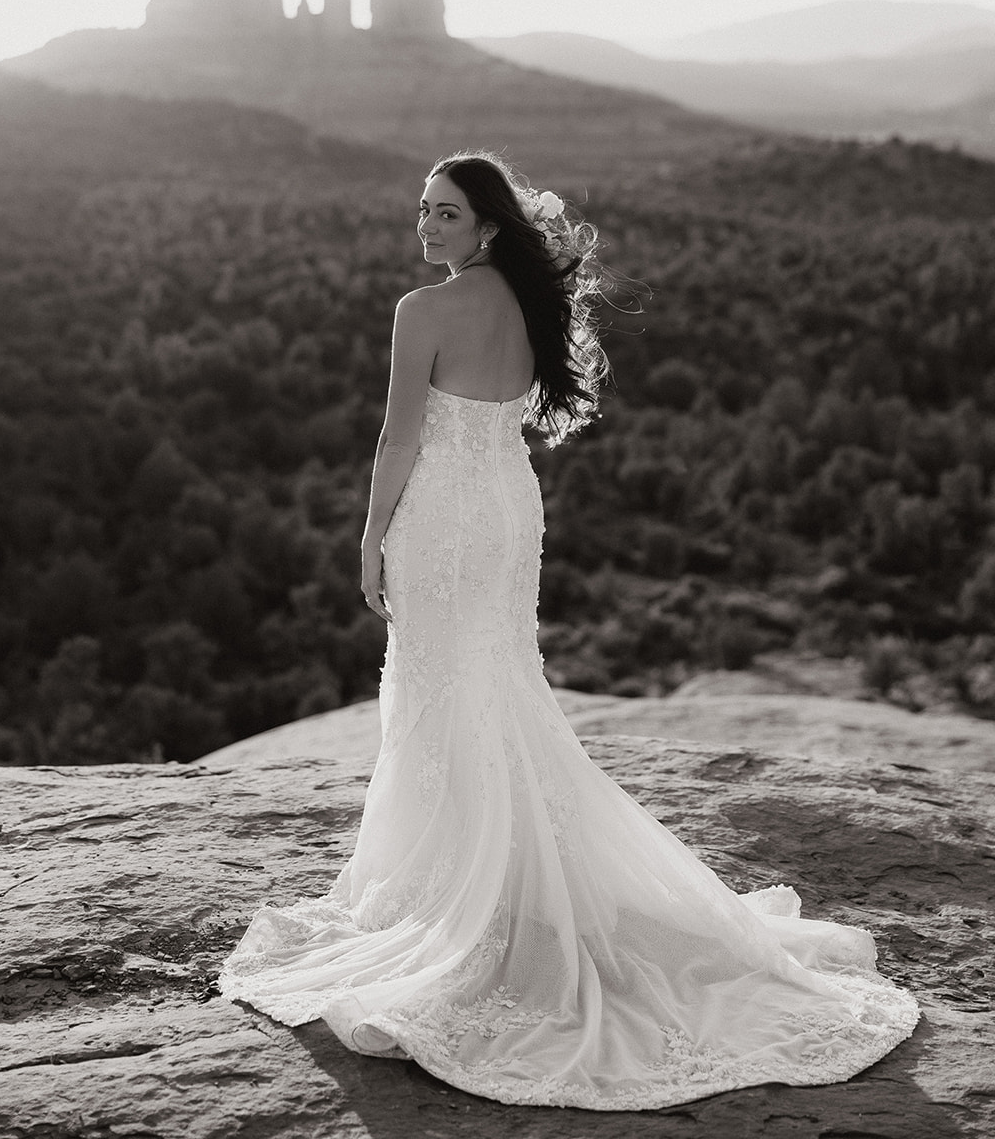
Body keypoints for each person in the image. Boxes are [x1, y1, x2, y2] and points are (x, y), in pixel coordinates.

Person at [219, 150, 918, 1109]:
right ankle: (501, 874)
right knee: (495, 682)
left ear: (488, 226)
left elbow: (398, 439)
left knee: (440, 687)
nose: (426, 229)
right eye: (422, 211)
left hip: (443, 516)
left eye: (447, 215)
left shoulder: (420, 313)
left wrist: (370, 539)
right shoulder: (527, 302)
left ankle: (468, 892)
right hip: (508, 503)